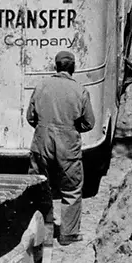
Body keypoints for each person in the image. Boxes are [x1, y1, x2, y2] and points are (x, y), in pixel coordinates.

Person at [27, 50, 95, 246]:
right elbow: (89, 122)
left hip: (42, 143)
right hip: (68, 146)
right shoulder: (80, 90)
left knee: (39, 186)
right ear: (73, 68)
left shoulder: (41, 86)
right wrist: (71, 129)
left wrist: (45, 128)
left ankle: (43, 232)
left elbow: (30, 117)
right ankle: (68, 234)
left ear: (55, 66)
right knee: (71, 189)